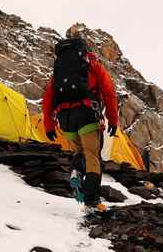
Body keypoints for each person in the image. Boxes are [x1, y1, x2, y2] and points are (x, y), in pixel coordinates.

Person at [42, 37, 118, 212]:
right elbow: (109, 92)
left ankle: (76, 171)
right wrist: (113, 119)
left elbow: (47, 100)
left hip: (65, 118)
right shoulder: (93, 66)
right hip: (86, 114)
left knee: (79, 152)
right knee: (93, 156)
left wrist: (49, 125)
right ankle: (92, 201)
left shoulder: (58, 74)